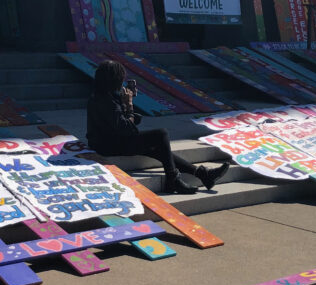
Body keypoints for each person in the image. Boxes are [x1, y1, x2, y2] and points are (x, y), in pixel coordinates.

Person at [86, 60, 229, 195]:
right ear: (113, 80)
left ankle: (203, 175)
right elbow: (126, 128)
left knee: (160, 149)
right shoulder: (104, 100)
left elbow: (122, 124)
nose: (122, 82)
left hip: (111, 140)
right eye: (120, 78)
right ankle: (173, 179)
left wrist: (126, 106)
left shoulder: (104, 96)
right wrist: (129, 105)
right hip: (107, 145)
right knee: (161, 134)